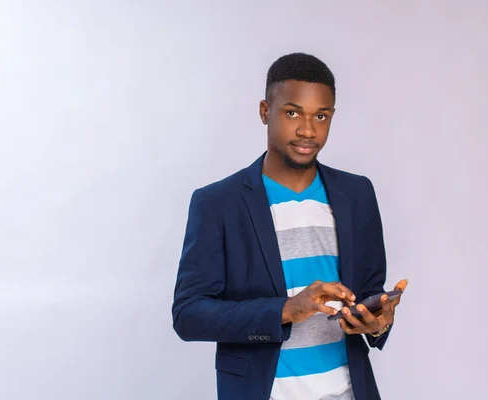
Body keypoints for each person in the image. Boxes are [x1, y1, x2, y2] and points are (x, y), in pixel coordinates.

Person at [172, 52, 408, 400]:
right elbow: (188, 315)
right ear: (266, 111)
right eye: (293, 112)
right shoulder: (218, 203)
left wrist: (378, 323)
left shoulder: (357, 194)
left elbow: (369, 291)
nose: (308, 130)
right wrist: (286, 309)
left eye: (321, 116)